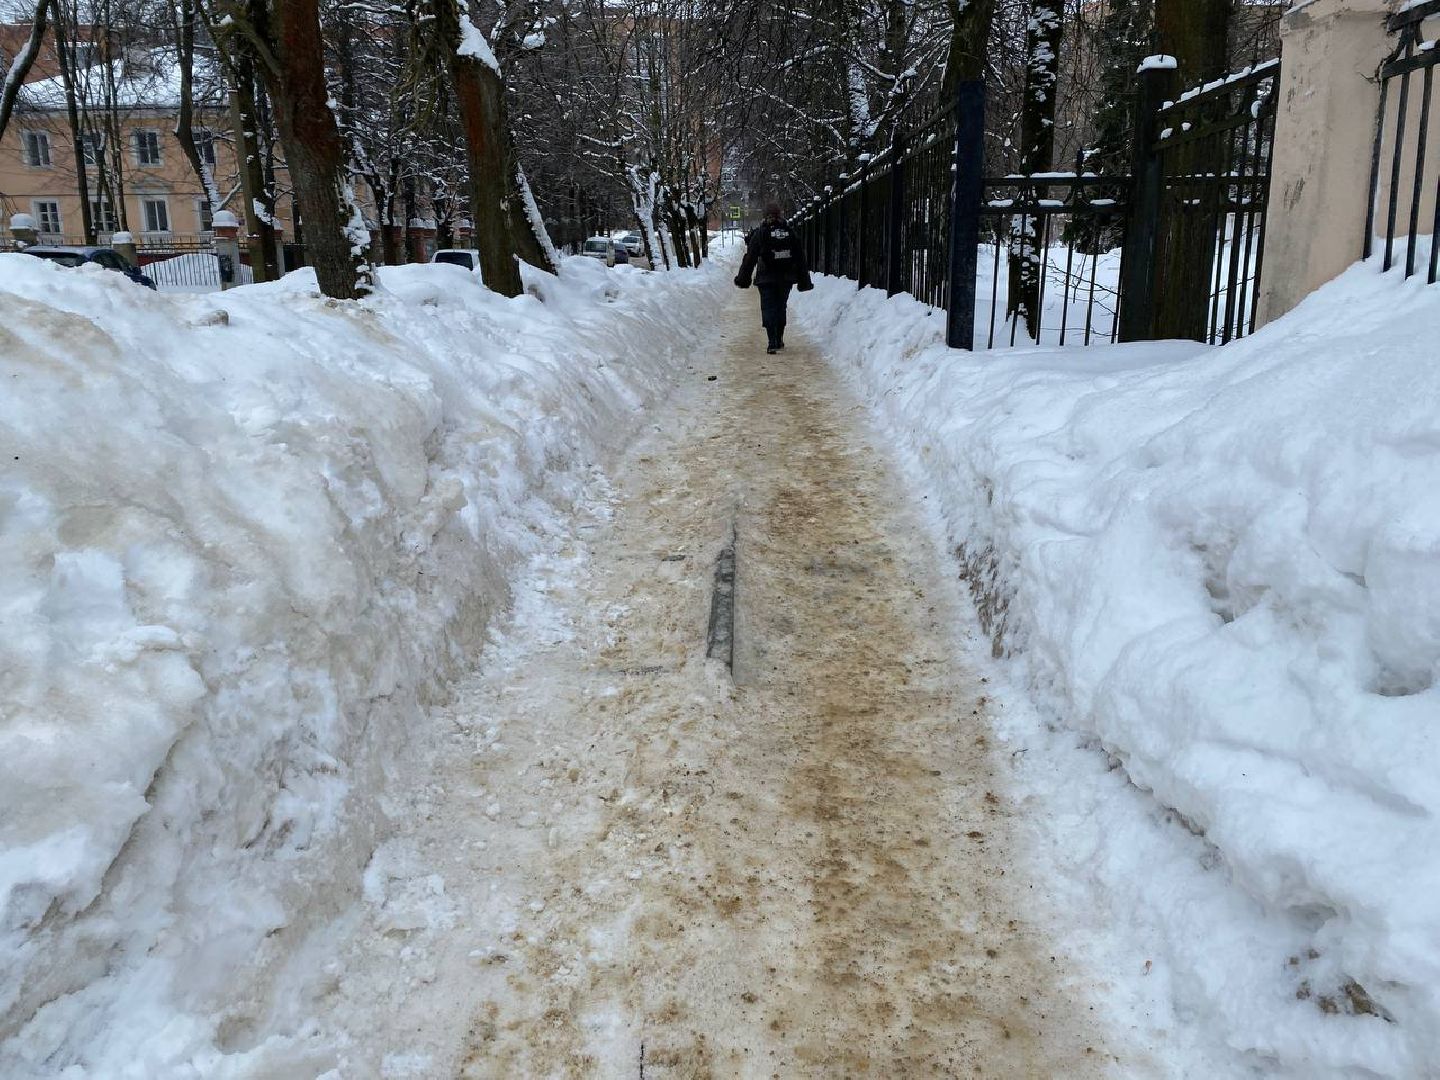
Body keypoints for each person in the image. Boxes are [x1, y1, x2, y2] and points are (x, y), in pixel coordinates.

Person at [734, 203, 813, 354]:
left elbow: (750, 258)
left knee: (768, 307)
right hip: (786, 278)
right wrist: (804, 281)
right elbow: (800, 258)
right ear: (780, 215)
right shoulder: (790, 232)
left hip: (766, 278)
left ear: (765, 216)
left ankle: (772, 342)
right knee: (780, 306)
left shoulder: (760, 233)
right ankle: (780, 338)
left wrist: (743, 279)